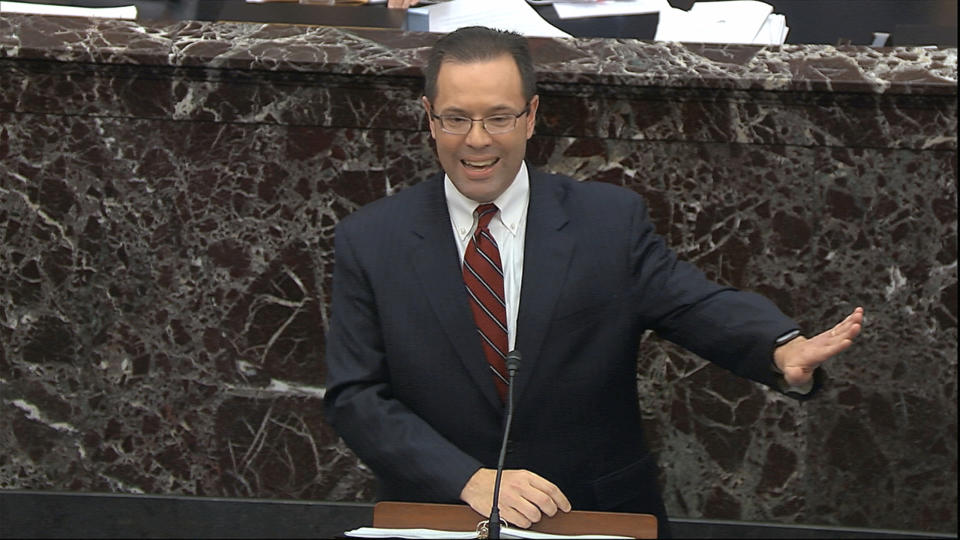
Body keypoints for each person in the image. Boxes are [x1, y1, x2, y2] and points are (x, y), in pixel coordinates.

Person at [323, 26, 864, 538]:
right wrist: (468, 479)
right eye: (456, 118)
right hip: (438, 511)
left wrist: (779, 350)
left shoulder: (607, 221)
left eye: (499, 118)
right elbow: (357, 396)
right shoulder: (371, 240)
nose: (477, 140)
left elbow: (692, 304)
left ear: (532, 116)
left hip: (591, 510)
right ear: (429, 117)